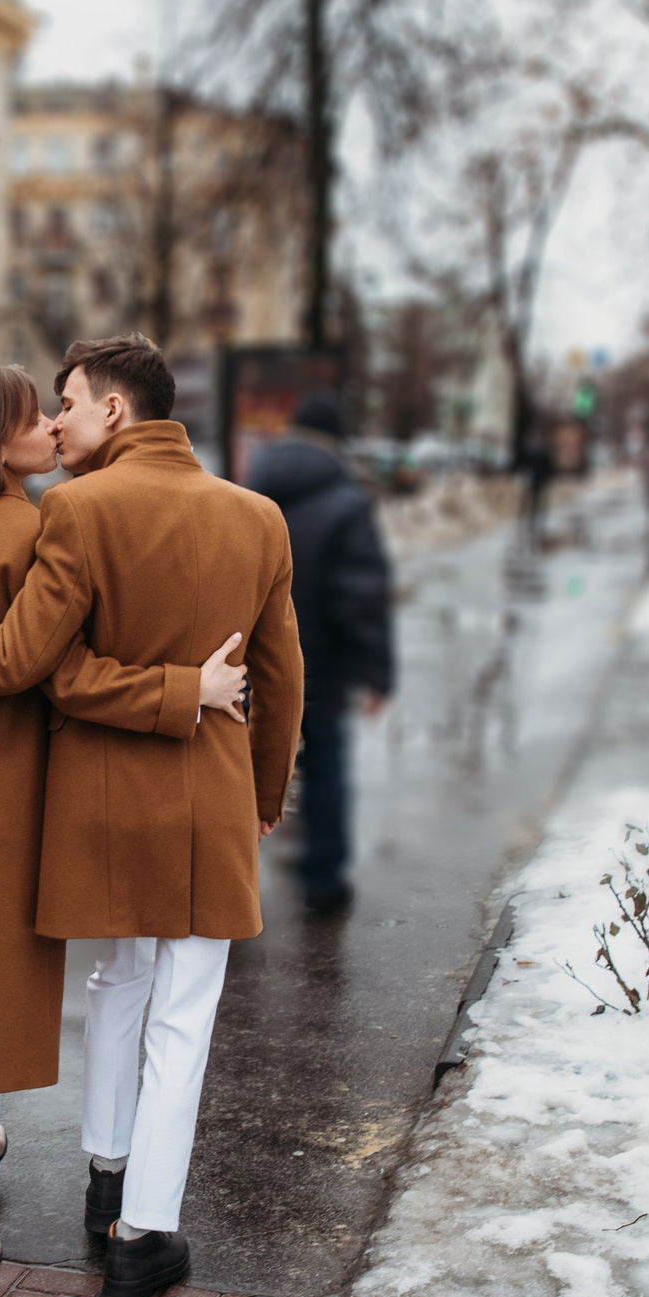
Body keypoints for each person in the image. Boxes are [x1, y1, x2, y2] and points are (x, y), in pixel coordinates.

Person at [0, 334, 304, 1297]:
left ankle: (105, 1167)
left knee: (120, 975)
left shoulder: (72, 510)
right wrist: (260, 787)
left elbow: (50, 669)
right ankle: (141, 1233)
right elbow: (281, 674)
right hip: (205, 801)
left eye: (65, 401)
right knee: (182, 1015)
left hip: (98, 802)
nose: (56, 419)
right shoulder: (259, 518)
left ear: (114, 408)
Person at [245, 389, 393, 914]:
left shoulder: (251, 490)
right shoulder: (346, 501)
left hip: (256, 663)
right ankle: (323, 880)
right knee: (325, 767)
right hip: (321, 666)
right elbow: (361, 593)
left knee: (245, 768)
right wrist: (376, 672)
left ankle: (228, 883)